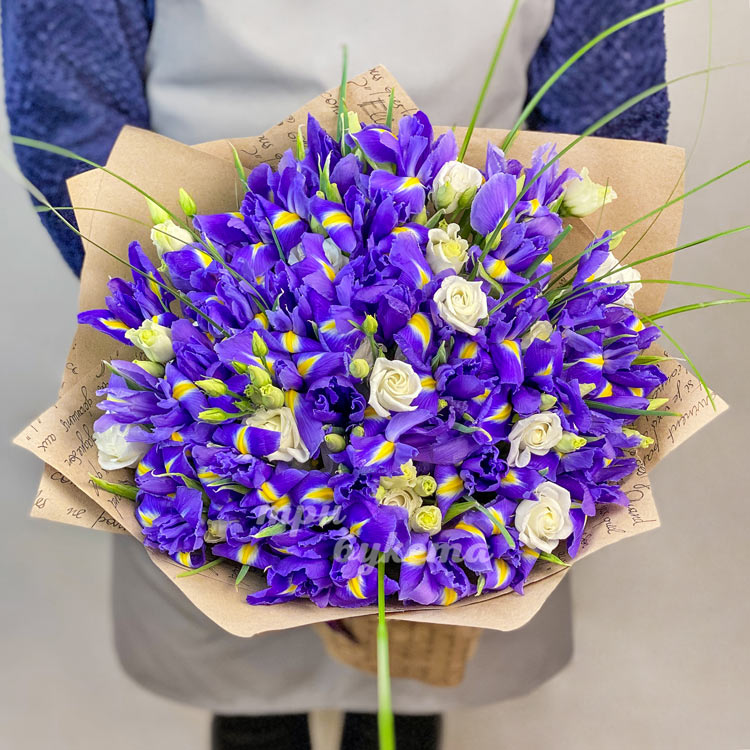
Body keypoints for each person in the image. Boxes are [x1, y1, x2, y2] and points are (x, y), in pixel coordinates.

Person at [2, 2, 668, 749]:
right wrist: (187, 301)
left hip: (485, 342)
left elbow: (612, 124)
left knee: (412, 680)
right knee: (251, 686)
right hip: (216, 341)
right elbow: (68, 115)